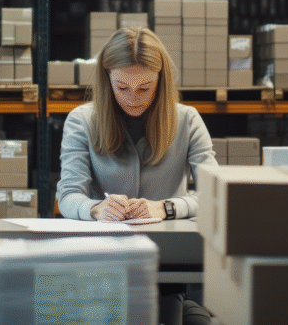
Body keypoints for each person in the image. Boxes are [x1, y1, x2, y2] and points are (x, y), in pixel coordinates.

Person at [57, 26, 217, 325]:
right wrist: (95, 209)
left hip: (168, 265)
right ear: (107, 81)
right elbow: (68, 196)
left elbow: (215, 194)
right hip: (103, 262)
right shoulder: (81, 120)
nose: (133, 98)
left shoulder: (187, 120)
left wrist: (167, 208)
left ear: (161, 80)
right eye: (122, 88)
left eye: (145, 88)